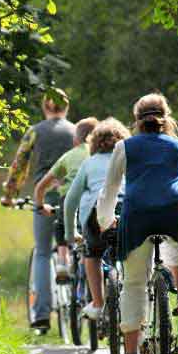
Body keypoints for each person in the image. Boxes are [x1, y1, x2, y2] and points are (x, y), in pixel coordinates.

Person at [96, 93, 178, 354]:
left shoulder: (125, 147)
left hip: (138, 215)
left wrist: (106, 222)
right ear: (167, 118)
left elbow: (109, 190)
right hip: (173, 211)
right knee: (176, 232)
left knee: (133, 283)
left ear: (136, 121)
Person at [1, 89, 76, 331]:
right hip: (73, 195)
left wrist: (9, 195)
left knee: (43, 252)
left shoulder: (35, 131)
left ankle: (42, 313)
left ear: (45, 107)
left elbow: (19, 164)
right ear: (66, 108)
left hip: (44, 195)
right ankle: (84, 300)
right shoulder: (77, 131)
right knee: (78, 244)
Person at [63, 118, 131, 320]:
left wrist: (70, 234)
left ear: (94, 142)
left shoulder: (89, 163)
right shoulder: (127, 160)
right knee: (130, 254)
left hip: (97, 213)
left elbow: (71, 201)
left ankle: (98, 304)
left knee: (92, 254)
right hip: (125, 209)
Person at [33, 117, 99, 282]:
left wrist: (41, 206)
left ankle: (62, 262)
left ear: (75, 139)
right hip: (97, 201)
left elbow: (40, 187)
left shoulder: (69, 156)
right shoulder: (101, 155)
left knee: (60, 225)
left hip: (70, 201)